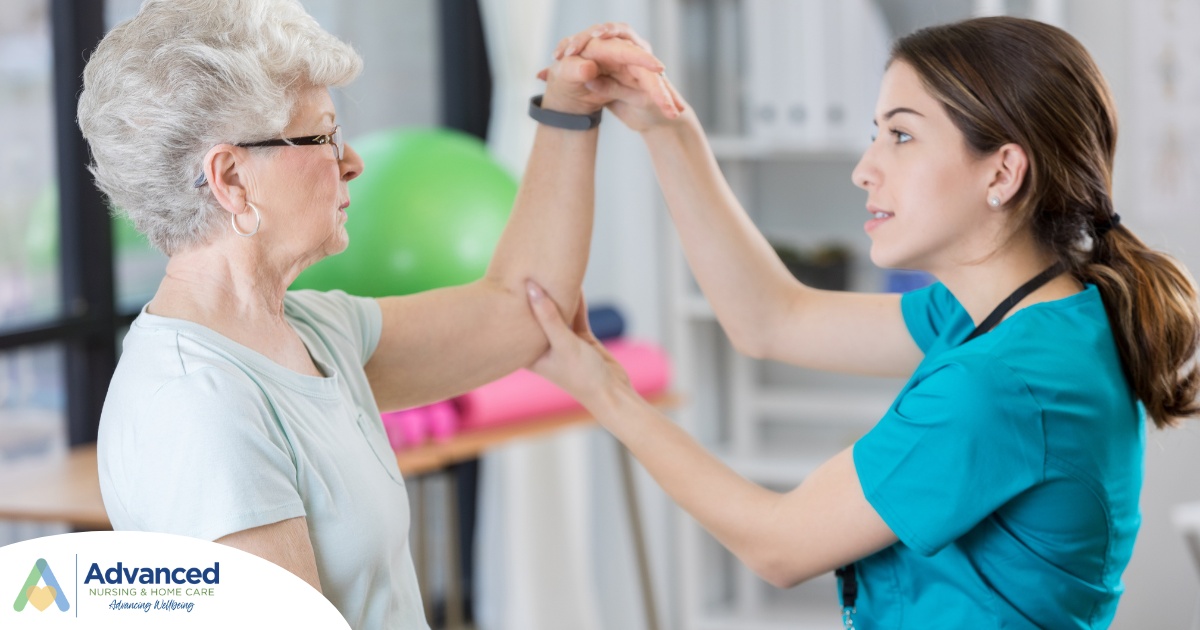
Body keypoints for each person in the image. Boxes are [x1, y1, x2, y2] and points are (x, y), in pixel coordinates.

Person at [527, 17, 1200, 628]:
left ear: (1003, 171)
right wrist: (666, 127)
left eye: (901, 135)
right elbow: (773, 320)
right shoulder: (1032, 311)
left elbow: (780, 543)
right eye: (874, 135)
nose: (863, 170)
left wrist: (605, 393)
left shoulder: (1002, 381)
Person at [77, 1, 673, 627]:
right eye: (323, 135)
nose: (352, 161)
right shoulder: (197, 405)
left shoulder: (311, 332)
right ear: (230, 177)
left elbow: (525, 312)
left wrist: (566, 111)